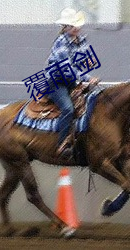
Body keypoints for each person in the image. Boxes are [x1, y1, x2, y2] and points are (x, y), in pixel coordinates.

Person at [46, 8, 99, 158]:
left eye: (76, 25)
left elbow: (85, 61)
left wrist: (88, 67)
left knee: (90, 102)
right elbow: (67, 68)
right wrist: (88, 79)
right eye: (71, 25)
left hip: (71, 80)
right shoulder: (61, 42)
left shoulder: (81, 40)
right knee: (68, 108)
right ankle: (62, 144)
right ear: (65, 27)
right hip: (56, 82)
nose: (75, 28)